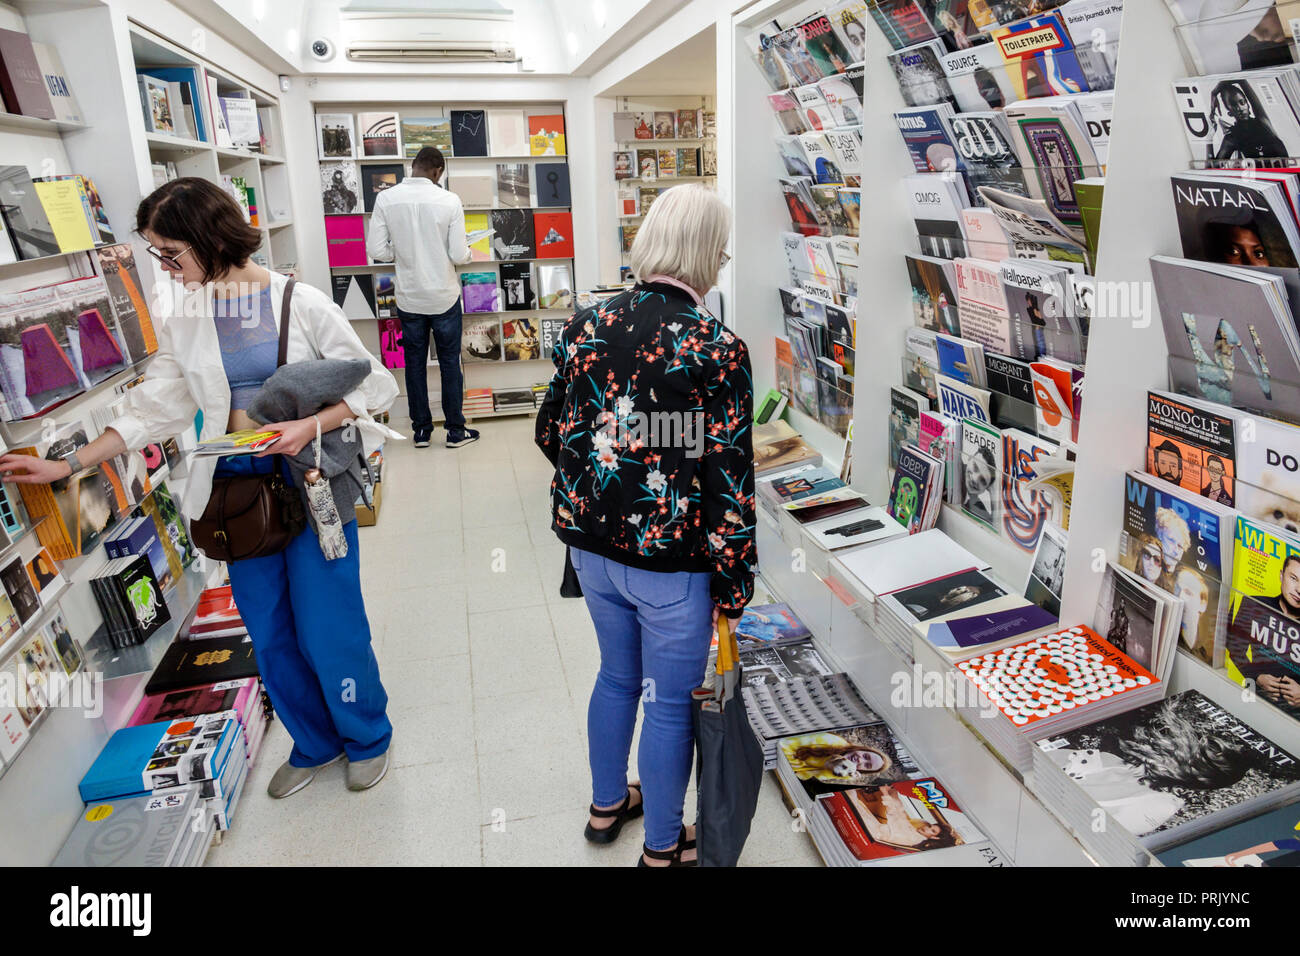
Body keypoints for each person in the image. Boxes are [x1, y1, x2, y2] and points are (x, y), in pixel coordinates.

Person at [0, 178, 399, 798]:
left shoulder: (302, 303)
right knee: (268, 630)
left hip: (310, 482)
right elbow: (154, 407)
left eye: (170, 252)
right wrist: (70, 462)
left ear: (212, 240)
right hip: (236, 497)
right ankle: (314, 742)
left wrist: (310, 425)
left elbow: (375, 386)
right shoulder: (184, 317)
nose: (164, 266)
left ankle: (366, 735)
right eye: (157, 253)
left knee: (330, 623)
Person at [535, 184, 754, 868]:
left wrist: (610, 479)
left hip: (591, 548)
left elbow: (553, 430)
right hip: (671, 564)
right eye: (719, 245)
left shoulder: (584, 325)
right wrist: (734, 580)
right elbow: (728, 479)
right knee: (666, 703)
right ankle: (663, 846)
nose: (722, 257)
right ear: (702, 252)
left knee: (615, 677)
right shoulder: (715, 347)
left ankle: (607, 807)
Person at [366, 146, 480, 449]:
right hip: (443, 296)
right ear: (438, 171)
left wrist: (403, 254)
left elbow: (377, 250)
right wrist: (466, 253)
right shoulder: (449, 200)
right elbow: (458, 254)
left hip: (409, 298)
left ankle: (421, 432)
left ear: (412, 166)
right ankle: (455, 431)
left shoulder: (386, 198)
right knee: (449, 364)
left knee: (414, 364)